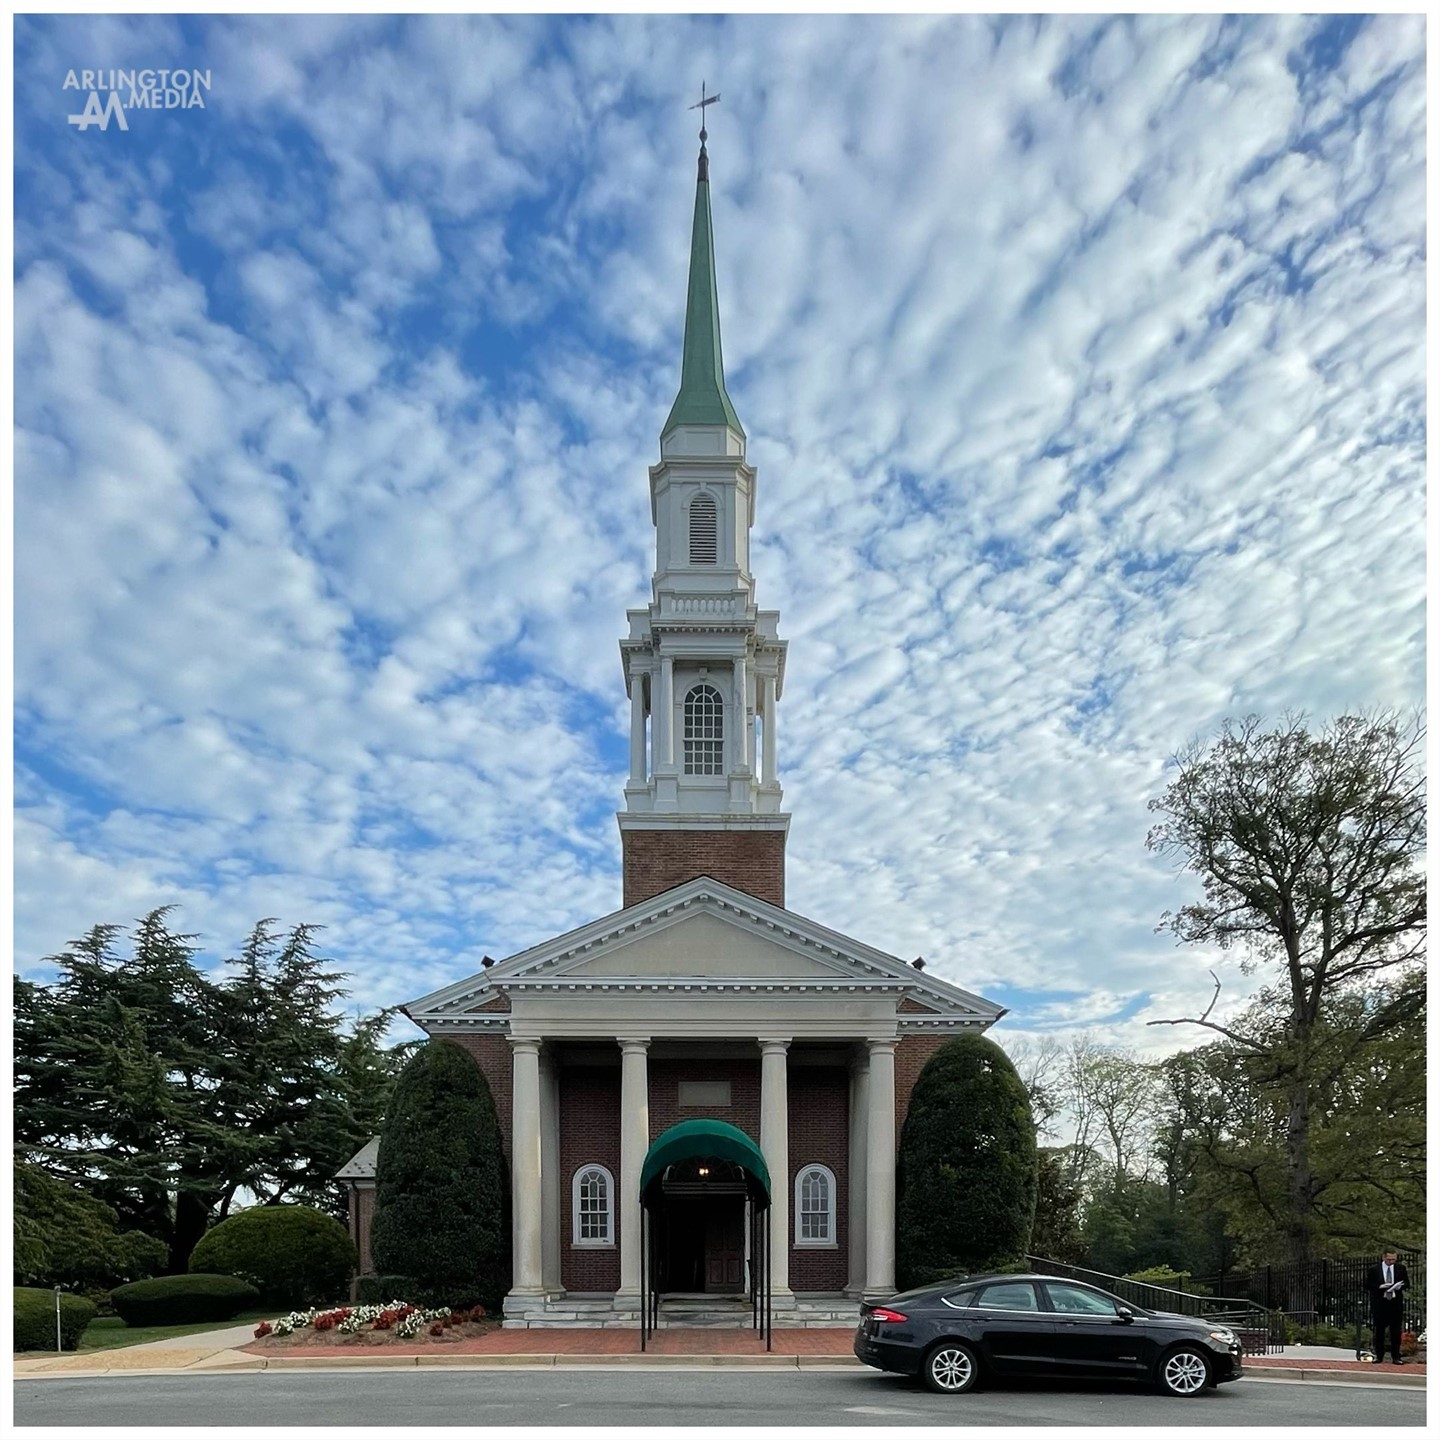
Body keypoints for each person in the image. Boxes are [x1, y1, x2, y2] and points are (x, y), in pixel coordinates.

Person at [1365, 1249, 1409, 1363]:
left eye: (1393, 1259)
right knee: (1379, 1330)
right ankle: (1379, 1355)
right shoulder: (1374, 1270)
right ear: (1383, 1258)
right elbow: (1367, 1284)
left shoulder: (1400, 1269)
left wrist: (1399, 1286)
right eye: (1389, 1259)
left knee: (1395, 1331)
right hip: (1380, 1302)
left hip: (1395, 1302)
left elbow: (1407, 1283)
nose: (1391, 1261)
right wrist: (1380, 1286)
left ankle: (1396, 1356)